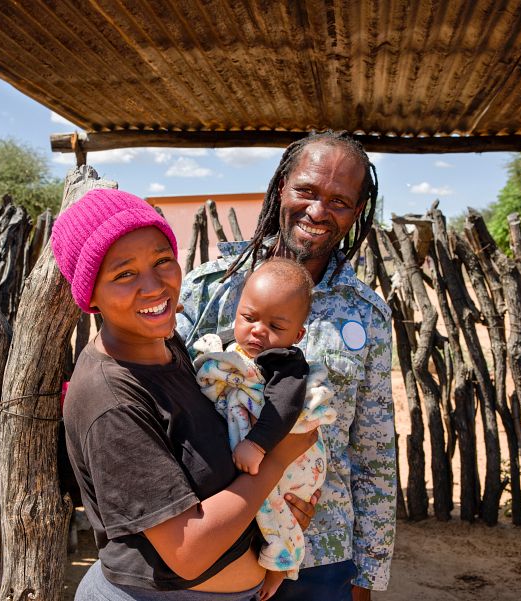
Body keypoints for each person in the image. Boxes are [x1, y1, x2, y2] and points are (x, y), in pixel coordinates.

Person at [52, 188, 322, 601]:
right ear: (90, 295)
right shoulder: (111, 399)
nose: (154, 285)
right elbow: (188, 551)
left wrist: (272, 545)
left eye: (162, 260)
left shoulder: (167, 347)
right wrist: (278, 459)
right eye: (124, 274)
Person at [177, 131, 396, 601]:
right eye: (306, 191)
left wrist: (366, 576)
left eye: (339, 201)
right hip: (217, 544)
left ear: (358, 210)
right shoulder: (211, 289)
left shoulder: (367, 315)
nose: (318, 211)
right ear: (281, 188)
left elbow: (373, 453)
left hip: (322, 552)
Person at [191, 258, 338, 600]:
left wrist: (257, 444)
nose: (258, 330)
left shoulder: (287, 365)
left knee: (276, 509)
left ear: (297, 335)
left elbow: (284, 407)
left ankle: (281, 565)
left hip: (287, 457)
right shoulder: (228, 348)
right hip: (255, 456)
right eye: (249, 317)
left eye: (275, 325)